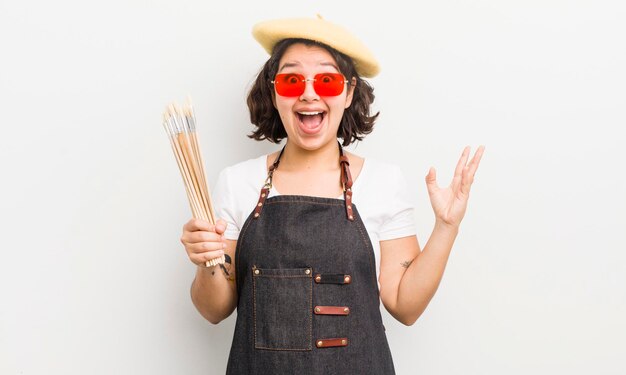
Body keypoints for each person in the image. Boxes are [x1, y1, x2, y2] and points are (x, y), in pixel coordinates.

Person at [180, 15, 484, 374]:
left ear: (349, 91)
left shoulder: (383, 182)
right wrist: (206, 264)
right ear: (275, 91)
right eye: (292, 80)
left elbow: (406, 305)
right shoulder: (236, 182)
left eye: (326, 80)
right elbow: (213, 309)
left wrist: (446, 226)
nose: (309, 93)